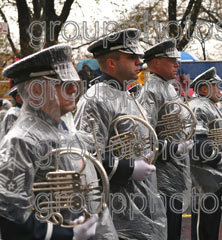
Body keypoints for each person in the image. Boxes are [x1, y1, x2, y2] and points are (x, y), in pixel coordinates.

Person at [0, 44, 117, 240]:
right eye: (61, 82)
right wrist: (67, 234)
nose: (73, 88)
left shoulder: (60, 131)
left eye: (72, 81)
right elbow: (10, 216)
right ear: (37, 89)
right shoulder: (21, 139)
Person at [74, 29, 167, 239]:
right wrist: (130, 167)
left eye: (139, 57)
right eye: (132, 57)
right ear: (112, 63)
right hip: (117, 207)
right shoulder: (95, 99)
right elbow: (85, 157)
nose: (139, 62)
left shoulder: (128, 94)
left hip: (142, 198)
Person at [140, 39, 192, 240]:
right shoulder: (151, 90)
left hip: (174, 171)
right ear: (156, 62)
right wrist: (174, 147)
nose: (177, 64)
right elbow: (146, 137)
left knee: (174, 227)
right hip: (161, 175)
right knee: (166, 229)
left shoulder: (168, 87)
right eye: (171, 60)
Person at [188, 67, 222, 240]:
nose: (220, 90)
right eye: (215, 86)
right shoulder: (198, 106)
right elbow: (199, 144)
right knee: (204, 222)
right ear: (204, 89)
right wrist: (219, 157)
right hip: (203, 174)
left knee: (211, 221)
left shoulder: (208, 105)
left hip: (212, 174)